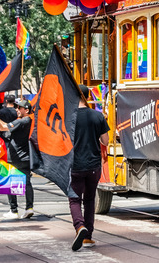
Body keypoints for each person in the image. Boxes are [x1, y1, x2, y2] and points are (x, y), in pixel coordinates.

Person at [69, 85, 110, 251]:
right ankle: (88, 237)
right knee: (90, 200)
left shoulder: (69, 117)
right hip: (93, 165)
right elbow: (105, 141)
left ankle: (80, 227)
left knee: (74, 199)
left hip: (75, 165)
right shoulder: (97, 116)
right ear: (87, 96)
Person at [0, 98, 35, 220]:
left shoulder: (22, 121)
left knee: (11, 182)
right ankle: (29, 208)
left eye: (19, 108)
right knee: (26, 182)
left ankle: (14, 210)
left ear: (26, 110)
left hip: (15, 157)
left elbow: (3, 127)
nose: (17, 110)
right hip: (25, 157)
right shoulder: (29, 121)